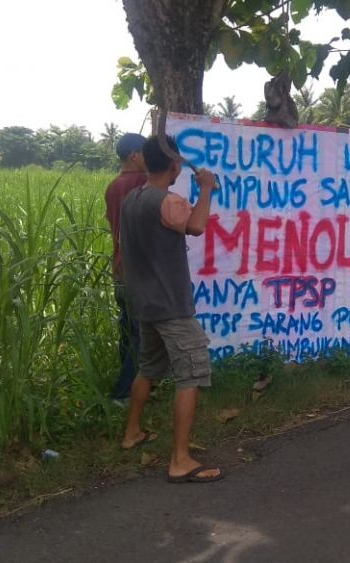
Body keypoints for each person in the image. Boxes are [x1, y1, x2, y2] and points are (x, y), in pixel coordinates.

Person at [118, 134, 223, 483]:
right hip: (171, 306)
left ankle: (131, 433)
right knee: (191, 373)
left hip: (145, 302)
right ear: (175, 165)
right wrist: (206, 189)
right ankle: (180, 460)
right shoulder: (168, 201)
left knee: (148, 368)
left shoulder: (132, 199)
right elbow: (196, 226)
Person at [105, 133, 149, 403]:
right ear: (134, 155)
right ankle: (123, 395)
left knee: (128, 335)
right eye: (146, 153)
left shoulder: (113, 186)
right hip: (139, 272)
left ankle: (132, 388)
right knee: (141, 338)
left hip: (120, 269)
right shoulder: (142, 182)